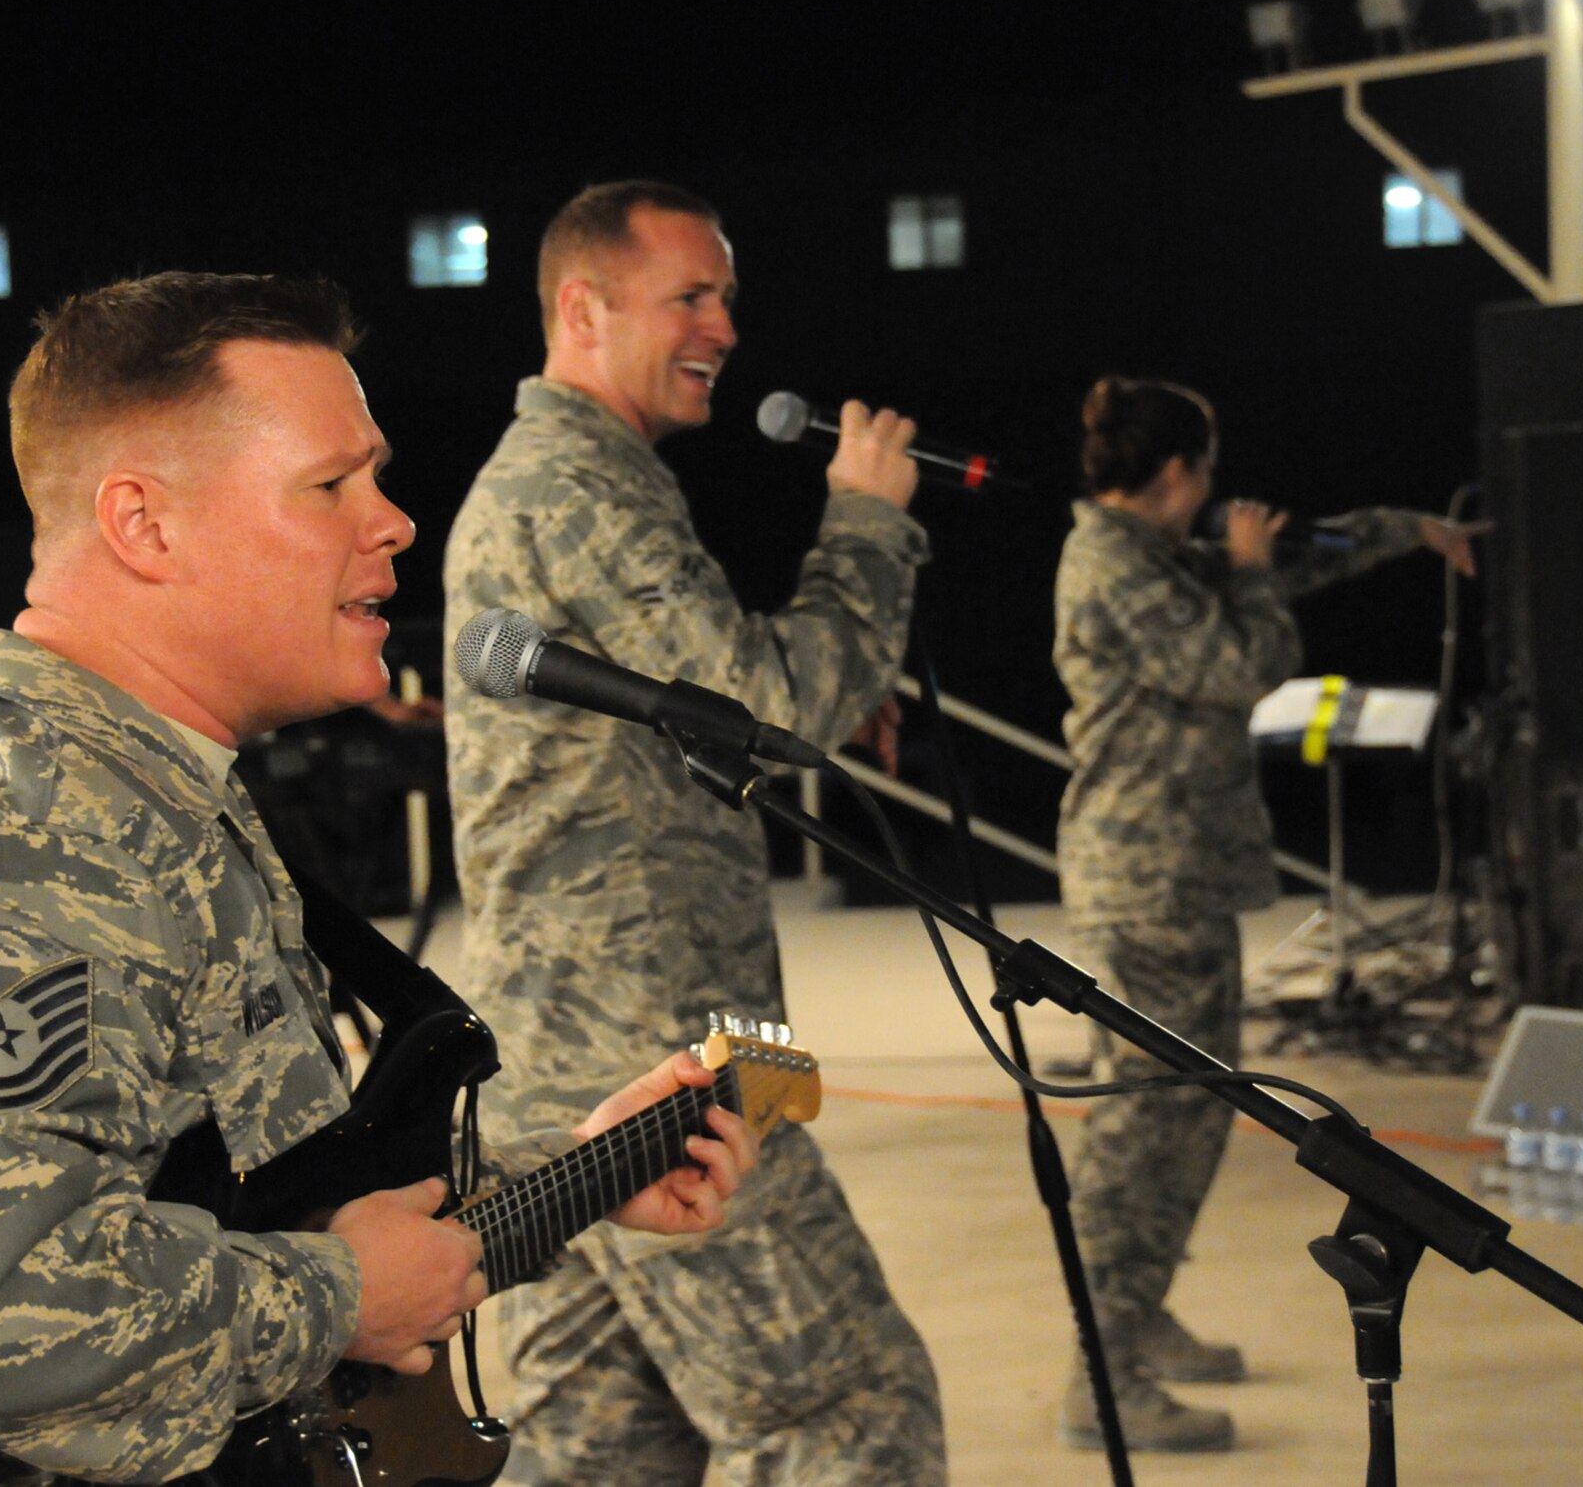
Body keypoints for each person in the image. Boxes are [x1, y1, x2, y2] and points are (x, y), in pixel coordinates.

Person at [0, 271, 755, 1487]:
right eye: (331, 485)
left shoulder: (156, 799)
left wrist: (563, 1171)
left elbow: (239, 1194)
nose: (392, 522)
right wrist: (338, 1295)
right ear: (143, 524)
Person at [442, 181, 947, 1485]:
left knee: (602, 1451)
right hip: (649, 1054)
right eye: (692, 296)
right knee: (848, 1411)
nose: (725, 324)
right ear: (581, 307)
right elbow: (772, 706)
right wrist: (870, 526)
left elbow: (700, 715)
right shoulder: (575, 482)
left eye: (728, 294)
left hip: (582, 1046)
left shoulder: (585, 480)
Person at [1053, 375, 1483, 1452]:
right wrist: (1244, 570)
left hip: (1179, 877)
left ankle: (1136, 1318)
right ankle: (1099, 1377)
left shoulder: (1156, 553)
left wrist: (1411, 532)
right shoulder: (1111, 564)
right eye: (1208, 471)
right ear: (1179, 476)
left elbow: (1303, 553)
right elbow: (1241, 661)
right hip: (1145, 884)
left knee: (1188, 1113)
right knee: (1142, 1127)